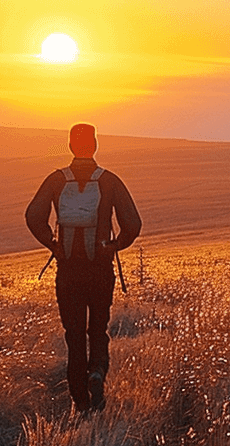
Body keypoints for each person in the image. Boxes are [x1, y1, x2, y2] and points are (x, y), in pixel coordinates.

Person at [25, 123, 142, 413]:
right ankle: (97, 374)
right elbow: (133, 224)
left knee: (74, 335)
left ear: (70, 146)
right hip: (100, 269)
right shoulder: (110, 181)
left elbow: (33, 216)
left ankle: (80, 404)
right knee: (98, 330)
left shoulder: (55, 181)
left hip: (68, 271)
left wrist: (52, 244)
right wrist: (115, 245)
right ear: (95, 145)